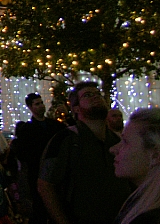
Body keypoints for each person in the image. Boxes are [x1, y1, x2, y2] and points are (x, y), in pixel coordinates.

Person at [39, 81, 131, 224]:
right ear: (76, 108)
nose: (95, 97)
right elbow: (45, 185)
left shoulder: (117, 141)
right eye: (88, 95)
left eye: (98, 94)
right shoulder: (66, 140)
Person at [12, 92, 65, 224]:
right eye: (37, 104)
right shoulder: (27, 129)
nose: (41, 106)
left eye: (41, 103)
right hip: (37, 171)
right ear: (30, 107)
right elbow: (22, 152)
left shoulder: (54, 126)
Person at [112, 107, 160, 224]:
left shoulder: (150, 218)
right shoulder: (141, 204)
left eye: (125, 142)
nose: (113, 149)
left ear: (155, 155)